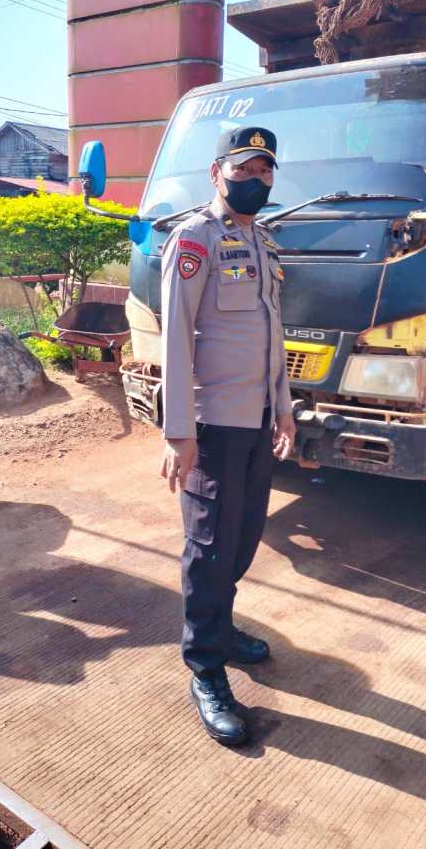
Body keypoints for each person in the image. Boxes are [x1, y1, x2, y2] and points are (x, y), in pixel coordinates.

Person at [160, 124, 295, 746]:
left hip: (258, 419)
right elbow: (176, 337)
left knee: (242, 539)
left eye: (265, 171)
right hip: (212, 423)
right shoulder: (195, 239)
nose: (256, 180)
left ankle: (223, 628)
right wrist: (178, 431)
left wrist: (284, 409)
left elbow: (273, 335)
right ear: (217, 174)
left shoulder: (263, 242)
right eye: (244, 169)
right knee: (209, 548)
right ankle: (205, 668)